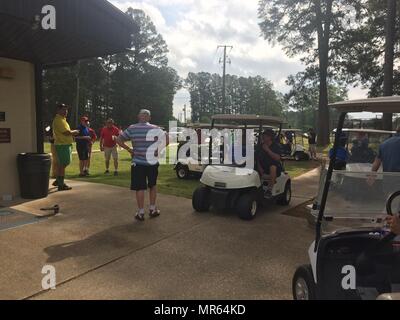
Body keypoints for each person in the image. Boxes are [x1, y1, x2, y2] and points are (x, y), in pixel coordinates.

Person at [116, 109, 166, 221]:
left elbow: (118, 140)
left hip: (138, 162)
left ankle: (141, 212)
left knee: (140, 187)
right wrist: (159, 149)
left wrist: (129, 149)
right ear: (149, 118)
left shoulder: (132, 128)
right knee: (152, 185)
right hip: (152, 162)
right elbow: (167, 138)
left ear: (138, 117)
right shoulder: (155, 128)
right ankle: (152, 209)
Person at [371, 126, 400, 233]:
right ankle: (380, 228)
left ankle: (381, 227)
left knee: (390, 206)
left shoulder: (384, 144)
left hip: (388, 182)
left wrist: (371, 176)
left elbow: (376, 163)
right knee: (392, 209)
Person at [52, 104, 79, 191]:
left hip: (65, 144)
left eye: (66, 110)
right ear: (58, 110)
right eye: (63, 109)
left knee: (64, 163)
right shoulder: (58, 120)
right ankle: (61, 184)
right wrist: (74, 132)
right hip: (62, 145)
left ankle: (58, 180)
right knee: (63, 164)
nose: (65, 111)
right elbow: (66, 132)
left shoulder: (63, 120)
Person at [256, 128, 282, 198]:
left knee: (272, 167)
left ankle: (269, 190)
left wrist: (267, 150)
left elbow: (277, 158)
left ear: (270, 137)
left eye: (265, 136)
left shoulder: (276, 146)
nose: (263, 137)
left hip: (274, 167)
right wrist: (260, 170)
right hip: (262, 167)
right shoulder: (260, 146)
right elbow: (257, 159)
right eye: (263, 136)